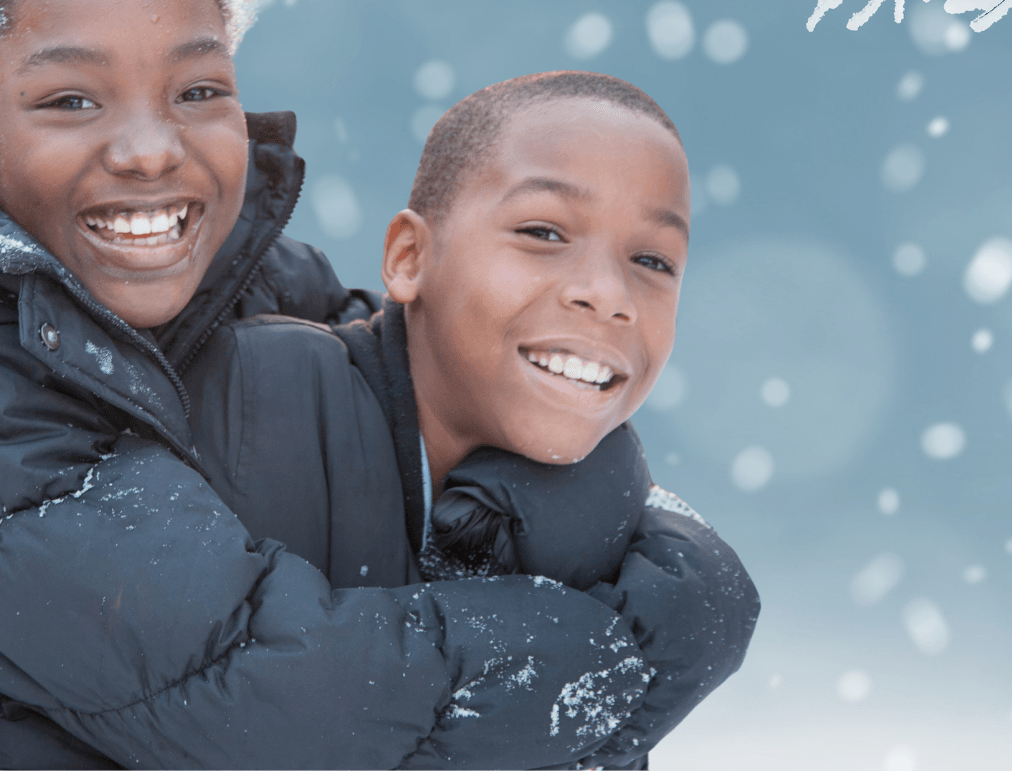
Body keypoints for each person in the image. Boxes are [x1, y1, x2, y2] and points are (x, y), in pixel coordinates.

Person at [0, 0, 655, 770]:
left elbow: (453, 395)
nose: (148, 149)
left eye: (197, 91)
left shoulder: (256, 286)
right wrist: (630, 652)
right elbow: (261, 698)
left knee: (531, 436)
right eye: (71, 100)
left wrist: (612, 529)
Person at [187, 72, 761, 768]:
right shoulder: (254, 406)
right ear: (409, 257)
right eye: (544, 232)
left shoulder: (597, 532)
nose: (609, 295)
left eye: (652, 260)